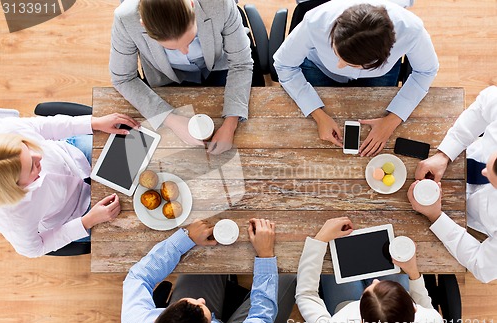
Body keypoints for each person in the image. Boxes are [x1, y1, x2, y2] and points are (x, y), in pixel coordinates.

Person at [273, 0, 438, 157]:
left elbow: (426, 71)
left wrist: (392, 120)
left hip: (380, 73)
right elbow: (283, 65)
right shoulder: (315, 22)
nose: (339, 66)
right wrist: (317, 114)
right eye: (337, 54)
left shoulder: (411, 29)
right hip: (319, 66)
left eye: (350, 63)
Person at [109, 0, 253, 155]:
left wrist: (231, 124)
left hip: (217, 66)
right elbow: (123, 78)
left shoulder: (220, 3)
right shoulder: (125, 19)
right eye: (171, 48)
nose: (184, 52)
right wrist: (170, 119)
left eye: (190, 41)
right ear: (143, 25)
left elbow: (241, 63)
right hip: (166, 77)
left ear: (192, 5)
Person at [0, 112, 140, 257]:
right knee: (133, 224)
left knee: (138, 150)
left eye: (28, 148)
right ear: (16, 188)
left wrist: (94, 122)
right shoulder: (12, 217)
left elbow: (44, 126)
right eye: (32, 167)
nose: (39, 156)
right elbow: (34, 249)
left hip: (73, 155)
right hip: (75, 213)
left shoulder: (6, 129)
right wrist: (87, 222)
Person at [121, 218, 296, 323]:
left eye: (190, 301)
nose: (201, 299)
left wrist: (185, 239)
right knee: (289, 277)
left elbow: (138, 277)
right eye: (202, 307)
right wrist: (265, 255)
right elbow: (261, 317)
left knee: (204, 251)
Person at [410, 86, 497, 283]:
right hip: (458, 158)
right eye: (491, 163)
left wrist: (435, 216)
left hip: (464, 219)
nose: (483, 171)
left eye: (492, 180)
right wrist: (445, 153)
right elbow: (486, 101)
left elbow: (482, 266)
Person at [296, 217, 443, 323]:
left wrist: (320, 240)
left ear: (361, 322)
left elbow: (306, 295)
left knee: (335, 261)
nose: (375, 280)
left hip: (345, 309)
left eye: (368, 291)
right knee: (391, 253)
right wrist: (413, 273)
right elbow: (427, 307)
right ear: (414, 309)